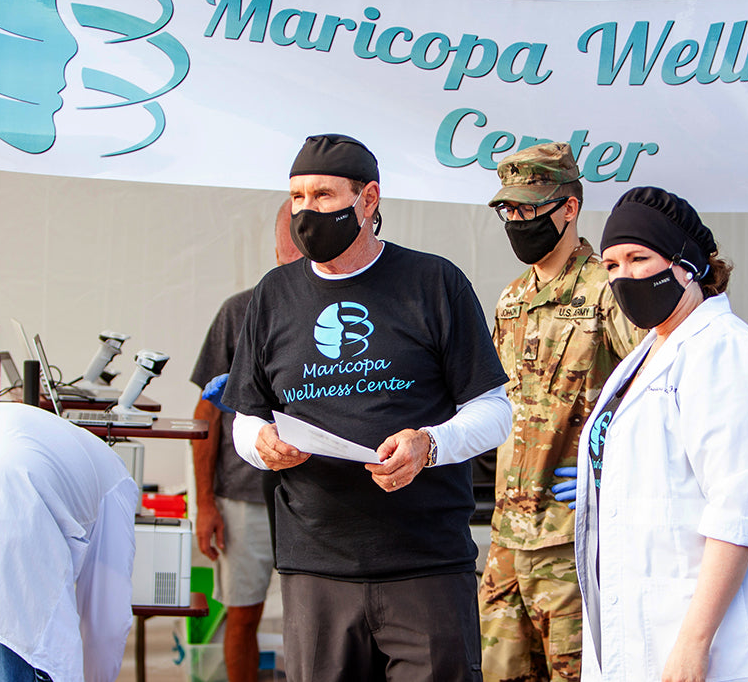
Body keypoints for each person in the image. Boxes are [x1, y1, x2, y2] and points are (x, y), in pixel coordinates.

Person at [223, 133, 511, 682]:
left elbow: (494, 411)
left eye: (323, 196)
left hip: (425, 564)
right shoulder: (273, 294)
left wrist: (429, 445)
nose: (306, 211)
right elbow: (247, 417)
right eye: (298, 198)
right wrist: (260, 446)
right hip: (316, 567)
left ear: (368, 199)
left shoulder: (434, 283)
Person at [561, 187, 748, 681]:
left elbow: (739, 511)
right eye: (611, 265)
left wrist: (694, 642)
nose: (624, 276)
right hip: (646, 627)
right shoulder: (648, 352)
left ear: (689, 265)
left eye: (639, 258)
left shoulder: (723, 350)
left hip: (720, 639)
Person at [480, 142, 643, 682]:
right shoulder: (511, 298)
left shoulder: (607, 291)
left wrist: (612, 473)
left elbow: (653, 395)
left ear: (568, 208)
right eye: (511, 210)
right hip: (507, 537)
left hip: (572, 540)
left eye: (530, 208)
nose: (519, 221)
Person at [190, 198, 302, 682]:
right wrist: (206, 505)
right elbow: (205, 416)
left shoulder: (351, 308)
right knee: (243, 614)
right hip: (242, 496)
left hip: (318, 495)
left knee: (318, 619)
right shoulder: (240, 311)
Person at [0, 403, 139, 682]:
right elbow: (106, 621)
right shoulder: (116, 481)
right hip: (14, 508)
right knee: (18, 641)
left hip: (14, 491)